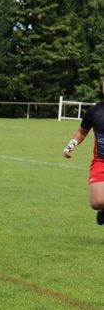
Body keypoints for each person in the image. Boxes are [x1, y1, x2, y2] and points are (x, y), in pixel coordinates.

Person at [63, 79, 104, 225]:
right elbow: (81, 132)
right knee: (97, 202)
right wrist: (70, 145)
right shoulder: (95, 111)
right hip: (101, 161)